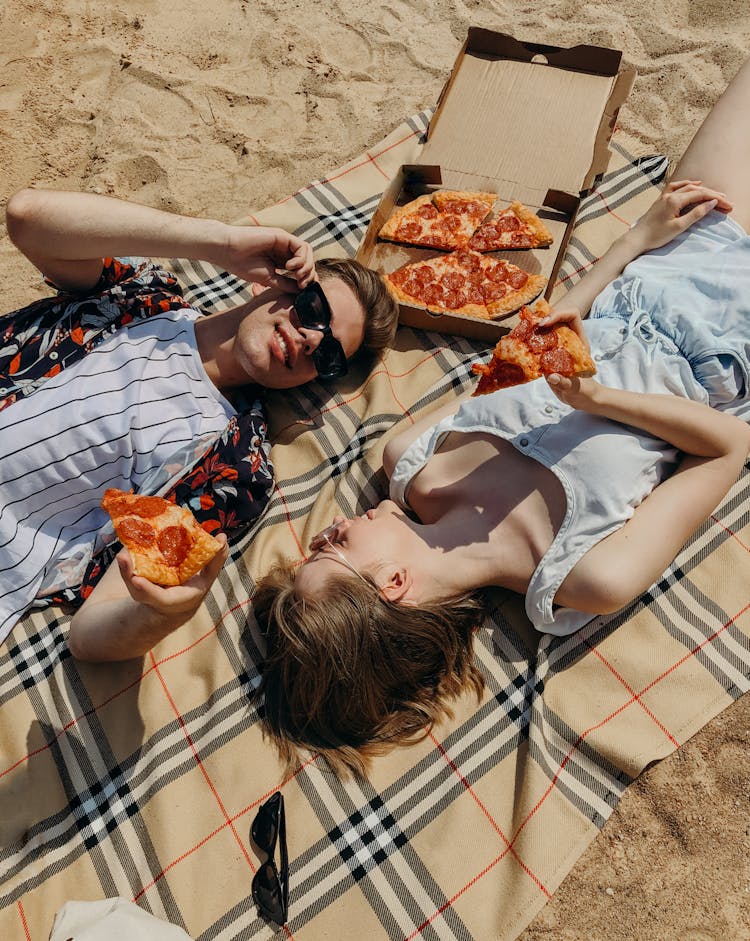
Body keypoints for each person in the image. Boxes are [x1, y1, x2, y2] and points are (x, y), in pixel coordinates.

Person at [251, 58, 750, 776]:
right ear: (392, 583)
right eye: (329, 551)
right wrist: (599, 402)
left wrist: (636, 238)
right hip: (731, 343)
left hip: (660, 263)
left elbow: (536, 341)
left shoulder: (411, 457)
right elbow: (729, 446)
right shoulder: (584, 577)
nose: (327, 529)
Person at [0, 188, 398, 650]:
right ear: (271, 283)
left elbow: (91, 635)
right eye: (313, 309)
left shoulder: (232, 465)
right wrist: (220, 244)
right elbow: (27, 217)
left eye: (328, 354)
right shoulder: (143, 297)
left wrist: (162, 613)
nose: (311, 339)